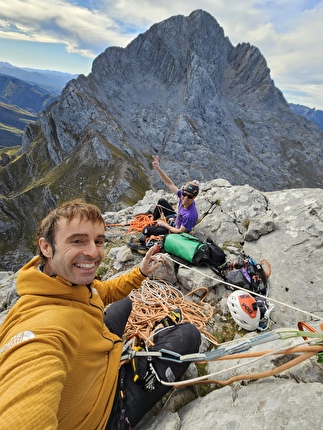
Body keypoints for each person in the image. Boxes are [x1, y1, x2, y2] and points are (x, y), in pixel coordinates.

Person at [0, 199, 201, 429]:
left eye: (99, 241)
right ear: (46, 247)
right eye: (78, 241)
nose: (94, 253)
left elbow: (102, 292)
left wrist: (141, 272)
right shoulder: (41, 334)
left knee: (123, 304)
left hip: (92, 352)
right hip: (105, 410)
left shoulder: (67, 283)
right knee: (188, 336)